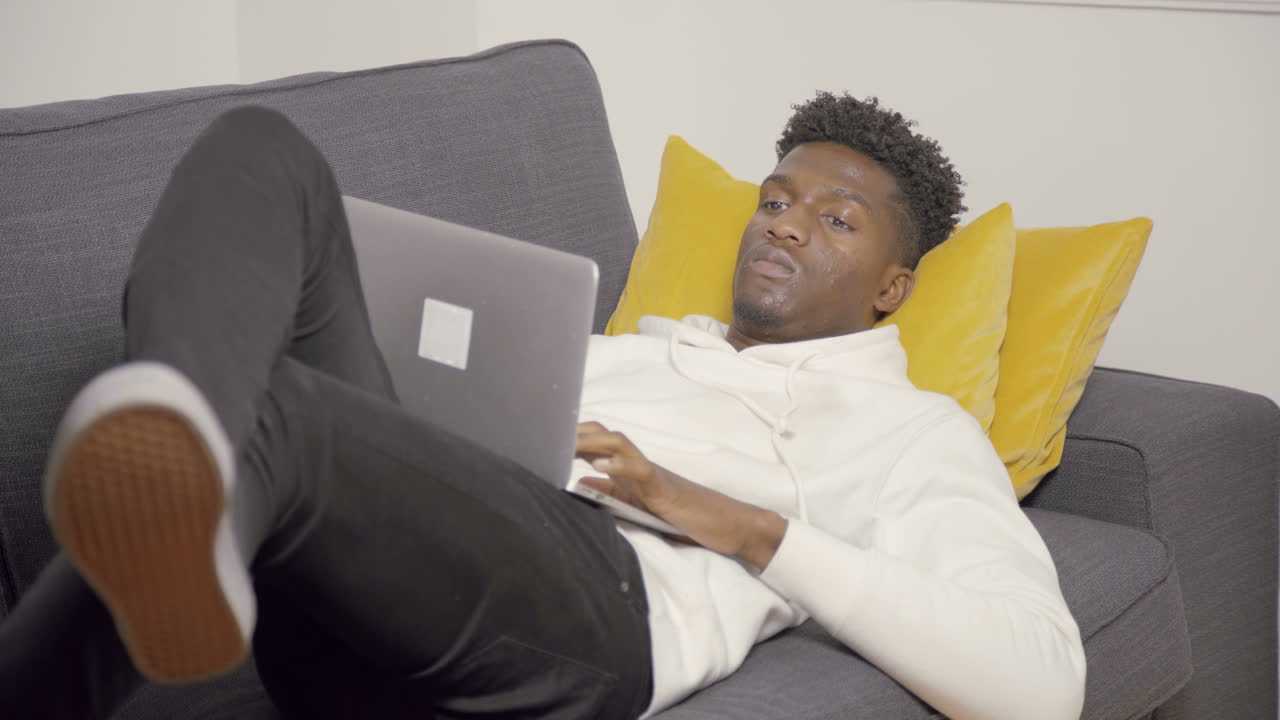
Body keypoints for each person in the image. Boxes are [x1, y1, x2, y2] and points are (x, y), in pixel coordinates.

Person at [0, 92, 1086, 720]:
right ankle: (195, 495)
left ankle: (186, 514)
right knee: (260, 153)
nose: (785, 225)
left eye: (837, 221)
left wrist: (732, 521)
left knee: (272, 413)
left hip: (596, 603)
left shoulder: (909, 430)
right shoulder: (624, 346)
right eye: (774, 199)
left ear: (894, 288)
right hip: (436, 528)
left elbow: (1039, 684)